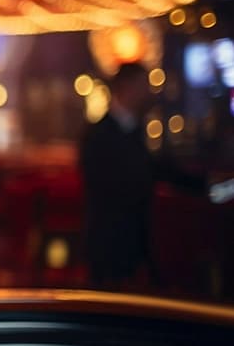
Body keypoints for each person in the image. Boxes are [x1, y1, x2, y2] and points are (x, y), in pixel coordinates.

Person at [79, 62, 205, 288]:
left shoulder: (135, 130)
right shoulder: (98, 135)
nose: (148, 92)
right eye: (143, 85)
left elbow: (157, 169)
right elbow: (109, 185)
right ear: (126, 87)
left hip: (134, 237)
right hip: (109, 240)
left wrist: (203, 185)